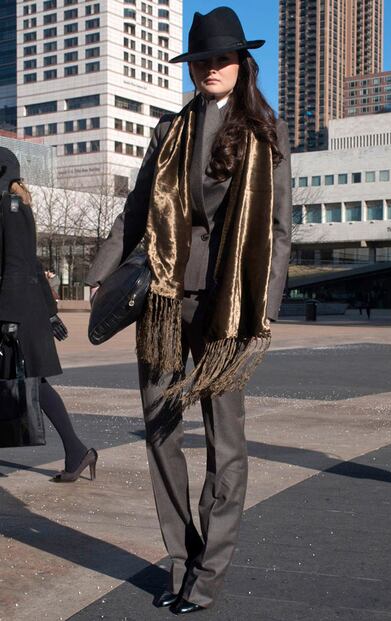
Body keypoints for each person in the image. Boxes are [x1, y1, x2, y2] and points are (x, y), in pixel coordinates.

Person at [87, 7, 292, 614]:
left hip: (226, 308)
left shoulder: (264, 133)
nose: (210, 68)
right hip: (161, 301)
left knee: (224, 445)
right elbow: (135, 211)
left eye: (221, 59)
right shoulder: (169, 131)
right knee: (160, 434)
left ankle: (207, 578)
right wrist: (99, 276)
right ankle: (182, 560)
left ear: (241, 64)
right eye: (201, 59)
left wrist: (265, 309)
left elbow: (278, 231)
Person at [0, 148, 97, 482]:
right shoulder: (16, 206)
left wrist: (9, 317)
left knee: (32, 384)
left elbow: (15, 264)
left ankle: (77, 450)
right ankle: (77, 452)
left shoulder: (9, 209)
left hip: (17, 312)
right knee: (34, 384)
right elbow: (32, 264)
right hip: (24, 310)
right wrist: (51, 311)